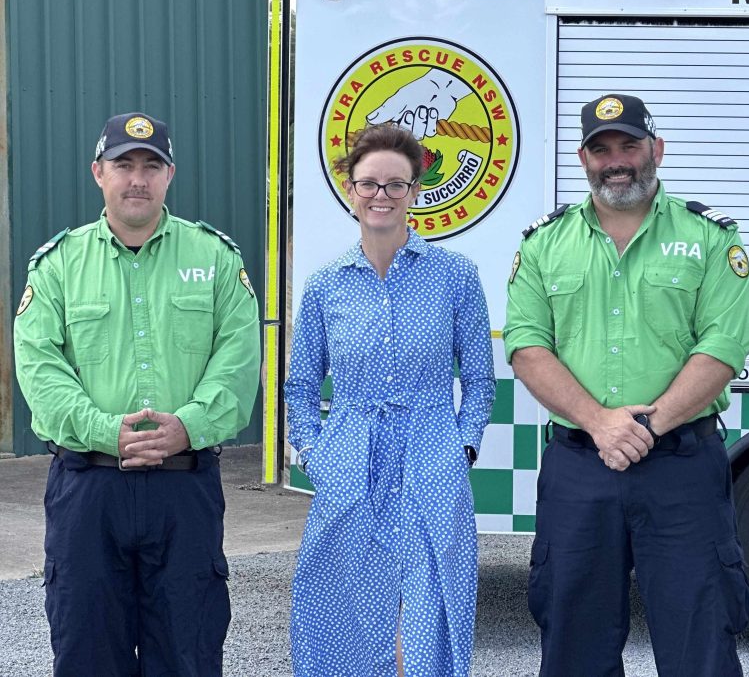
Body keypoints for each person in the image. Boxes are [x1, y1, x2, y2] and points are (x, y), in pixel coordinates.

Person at [504, 93, 749, 677]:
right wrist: (600, 423)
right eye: (602, 149)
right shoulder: (545, 243)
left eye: (629, 145)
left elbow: (722, 346)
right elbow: (526, 345)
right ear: (583, 158)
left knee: (700, 634)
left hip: (681, 464)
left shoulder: (710, 238)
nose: (616, 160)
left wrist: (647, 425)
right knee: (573, 637)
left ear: (656, 150)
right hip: (580, 464)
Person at [12, 112, 261, 676]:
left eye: (152, 165)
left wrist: (189, 427)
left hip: (185, 492)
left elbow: (239, 362)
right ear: (98, 172)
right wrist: (107, 431)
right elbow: (39, 369)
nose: (138, 178)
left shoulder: (216, 258)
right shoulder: (58, 266)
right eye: (124, 164)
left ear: (170, 175)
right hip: (88, 491)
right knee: (87, 654)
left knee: (187, 654)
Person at [285, 122, 494, 677]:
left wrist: (463, 447)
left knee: (431, 602)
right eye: (370, 183)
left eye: (395, 185)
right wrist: (315, 454)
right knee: (342, 603)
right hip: (350, 455)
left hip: (431, 454)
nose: (382, 195)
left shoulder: (456, 276)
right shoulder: (325, 285)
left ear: (415, 192)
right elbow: (300, 385)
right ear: (350, 189)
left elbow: (479, 378)